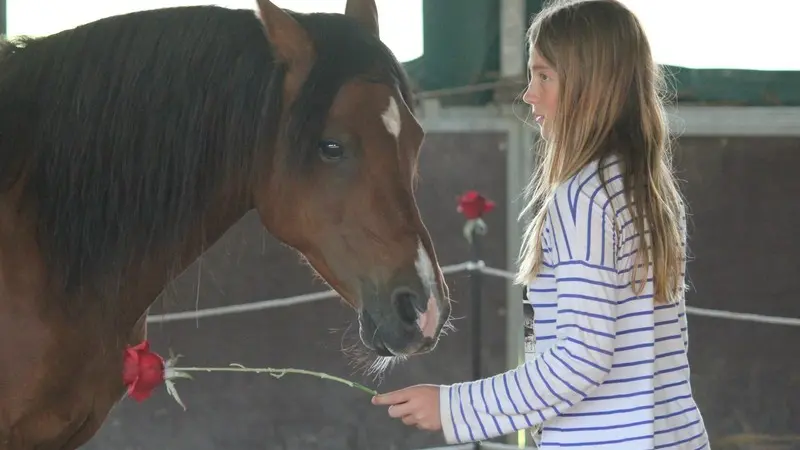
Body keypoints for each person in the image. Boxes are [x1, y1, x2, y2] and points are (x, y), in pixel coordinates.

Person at [371, 0, 710, 448]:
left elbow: (580, 360)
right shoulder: (650, 191)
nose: (529, 94)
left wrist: (453, 407)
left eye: (544, 76)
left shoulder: (584, 197)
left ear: (592, 86)